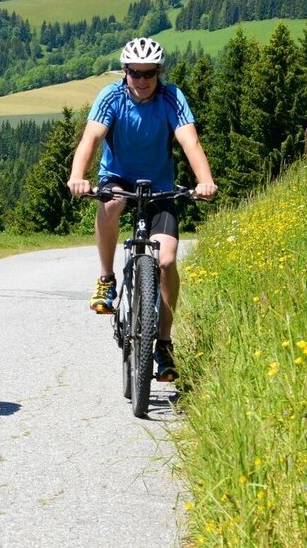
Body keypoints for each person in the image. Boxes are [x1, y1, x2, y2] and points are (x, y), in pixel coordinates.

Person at [67, 37, 217, 382]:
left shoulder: (171, 98)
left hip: (160, 187)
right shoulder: (112, 96)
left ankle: (164, 344)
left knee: (165, 261)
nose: (142, 79)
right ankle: (107, 279)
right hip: (118, 178)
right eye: (135, 72)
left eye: (149, 73)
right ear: (126, 71)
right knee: (111, 201)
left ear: (158, 72)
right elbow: (90, 139)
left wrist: (204, 181)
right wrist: (78, 176)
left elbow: (190, 141)